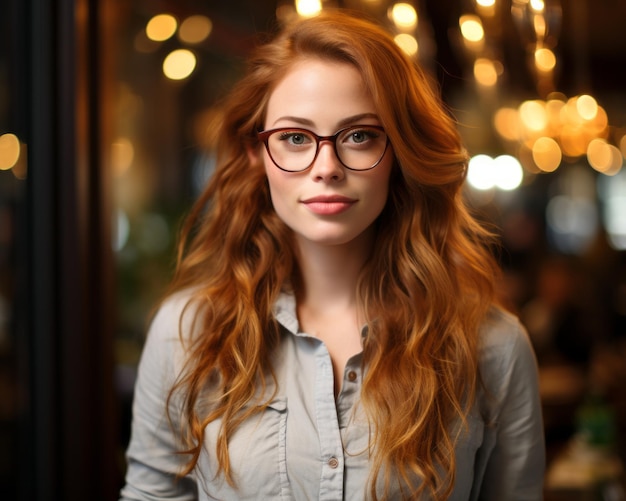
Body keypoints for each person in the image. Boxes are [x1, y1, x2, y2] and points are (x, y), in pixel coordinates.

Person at [120, 10, 545, 501]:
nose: (326, 168)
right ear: (257, 153)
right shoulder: (188, 331)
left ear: (401, 153)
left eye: (359, 135)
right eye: (295, 138)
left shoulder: (492, 347)